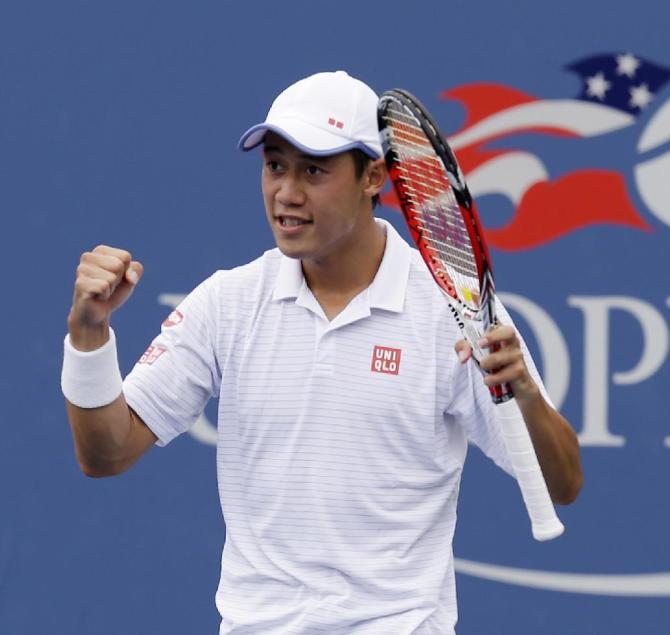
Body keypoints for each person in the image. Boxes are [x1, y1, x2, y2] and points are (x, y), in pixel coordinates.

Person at [61, 70, 582, 634]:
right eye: (275, 166)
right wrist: (89, 333)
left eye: (314, 169)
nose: (287, 192)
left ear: (373, 176)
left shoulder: (447, 311)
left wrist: (524, 392)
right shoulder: (228, 302)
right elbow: (105, 454)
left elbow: (564, 483)